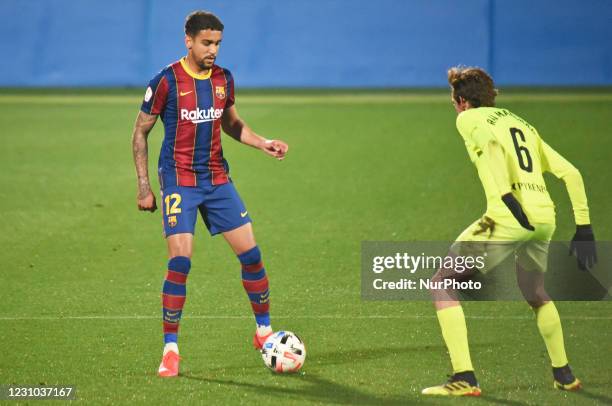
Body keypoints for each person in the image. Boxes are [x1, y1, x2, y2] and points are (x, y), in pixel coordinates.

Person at [421, 66, 597, 396]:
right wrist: (584, 227)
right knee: (534, 291)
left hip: (508, 215)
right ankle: (564, 373)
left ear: (462, 102)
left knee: (441, 283)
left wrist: (505, 196)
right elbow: (571, 173)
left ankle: (465, 377)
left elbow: (489, 147)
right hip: (545, 216)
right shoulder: (520, 123)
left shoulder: (468, 119)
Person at [131, 10, 288, 378]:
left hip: (217, 178)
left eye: (217, 43)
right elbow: (140, 132)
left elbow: (232, 124)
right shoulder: (166, 81)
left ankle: (263, 331)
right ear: (188, 41)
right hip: (179, 180)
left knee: (252, 255)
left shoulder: (223, 79)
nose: (213, 50)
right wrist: (144, 187)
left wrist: (262, 143)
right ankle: (171, 350)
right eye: (206, 43)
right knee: (181, 262)